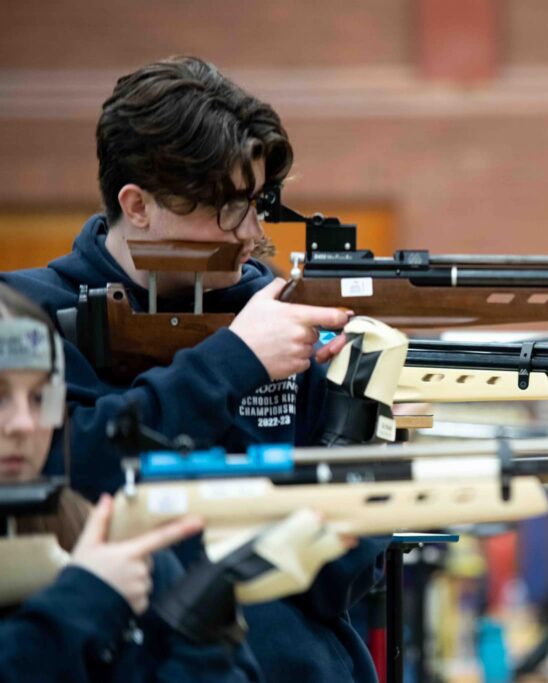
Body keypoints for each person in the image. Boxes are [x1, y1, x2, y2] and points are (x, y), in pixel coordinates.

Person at [1, 56, 389, 682]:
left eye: (255, 203)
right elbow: (62, 473)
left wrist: (362, 429)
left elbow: (342, 577)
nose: (251, 233)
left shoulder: (276, 313)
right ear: (139, 205)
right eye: (225, 207)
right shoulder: (26, 317)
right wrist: (233, 363)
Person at [0, 282, 261, 682]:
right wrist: (86, 598)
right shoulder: (101, 567)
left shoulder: (107, 536)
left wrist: (198, 630)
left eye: (39, 398)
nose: (23, 423)